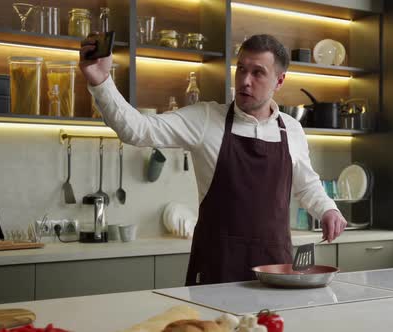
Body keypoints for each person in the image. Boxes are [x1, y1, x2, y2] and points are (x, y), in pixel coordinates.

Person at [79, 34, 348, 285]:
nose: (245, 80)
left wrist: (328, 209)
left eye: (258, 73)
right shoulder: (206, 119)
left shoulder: (292, 129)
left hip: (275, 268)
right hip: (215, 267)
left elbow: (307, 185)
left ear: (279, 81)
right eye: (241, 69)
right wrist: (101, 81)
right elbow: (136, 129)